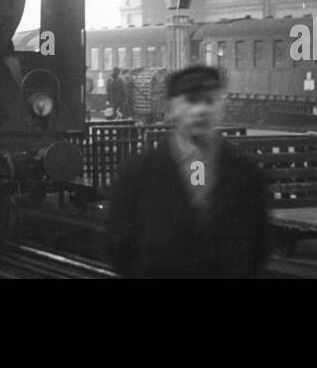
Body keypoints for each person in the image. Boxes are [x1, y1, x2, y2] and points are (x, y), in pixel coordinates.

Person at [108, 65, 269, 279]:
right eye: (192, 100)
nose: (201, 110)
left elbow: (259, 247)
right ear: (172, 108)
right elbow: (119, 249)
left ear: (221, 108)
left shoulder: (247, 175)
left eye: (210, 101)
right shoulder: (138, 174)